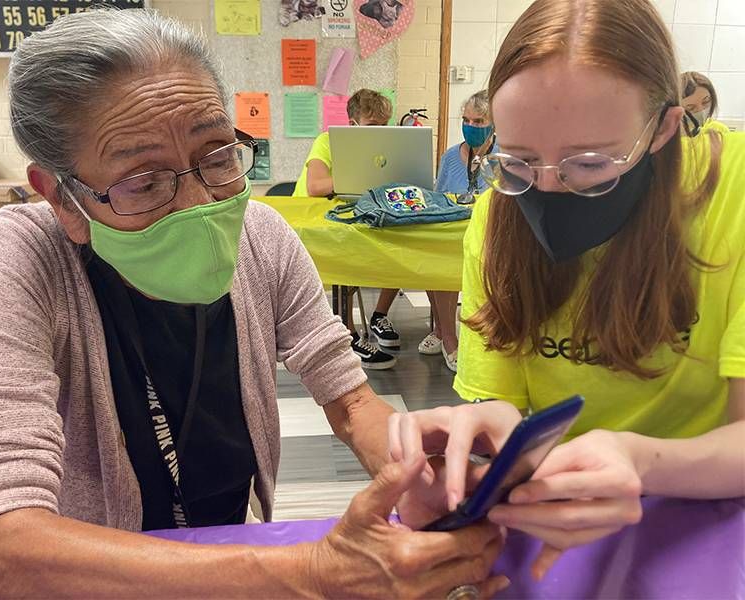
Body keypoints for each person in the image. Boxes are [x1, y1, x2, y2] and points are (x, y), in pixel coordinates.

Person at [0, 9, 509, 598]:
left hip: (223, 554)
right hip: (92, 579)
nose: (197, 203)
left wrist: (414, 466)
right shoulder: (23, 256)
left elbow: (351, 401)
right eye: (143, 181)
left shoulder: (260, 237)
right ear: (62, 198)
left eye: (217, 155)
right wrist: (310, 573)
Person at [388, 0, 745, 582]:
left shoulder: (735, 195)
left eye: (590, 164)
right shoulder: (497, 215)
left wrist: (639, 462)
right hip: (556, 517)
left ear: (664, 126)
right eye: (520, 161)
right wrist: (478, 455)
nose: (548, 191)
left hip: (708, 519)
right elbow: (500, 403)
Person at [294, 89, 402, 369]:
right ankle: (349, 336)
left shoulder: (385, 147)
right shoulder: (327, 141)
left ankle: (379, 316)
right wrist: (360, 175)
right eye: (372, 126)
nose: (379, 133)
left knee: (401, 244)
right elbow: (315, 186)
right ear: (352, 124)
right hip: (311, 224)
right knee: (349, 261)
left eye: (384, 125)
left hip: (350, 218)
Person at [419, 90, 495, 373]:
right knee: (434, 260)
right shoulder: (451, 156)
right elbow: (438, 198)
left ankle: (447, 332)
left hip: (488, 240)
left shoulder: (503, 158)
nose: (471, 127)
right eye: (466, 120)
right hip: (452, 235)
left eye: (479, 121)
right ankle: (447, 336)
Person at [680, 71, 729, 136]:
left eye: (706, 101)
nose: (701, 110)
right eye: (691, 108)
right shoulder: (669, 136)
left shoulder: (719, 130)